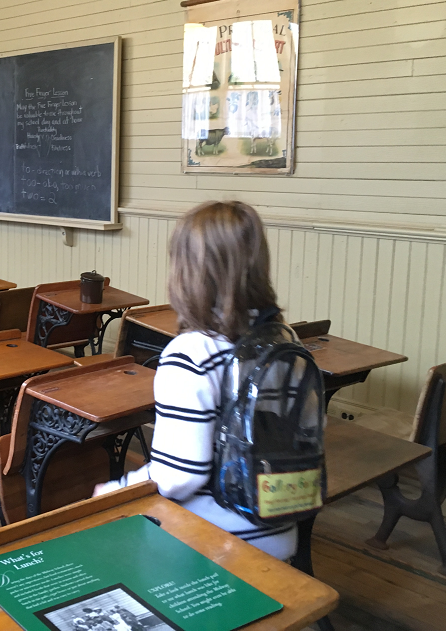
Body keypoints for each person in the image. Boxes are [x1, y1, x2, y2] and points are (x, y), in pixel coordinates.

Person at [93, 201, 297, 561]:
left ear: (188, 271)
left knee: (94, 551)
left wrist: (116, 489)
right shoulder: (283, 338)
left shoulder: (193, 353)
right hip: (279, 528)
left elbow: (180, 476)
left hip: (217, 541)